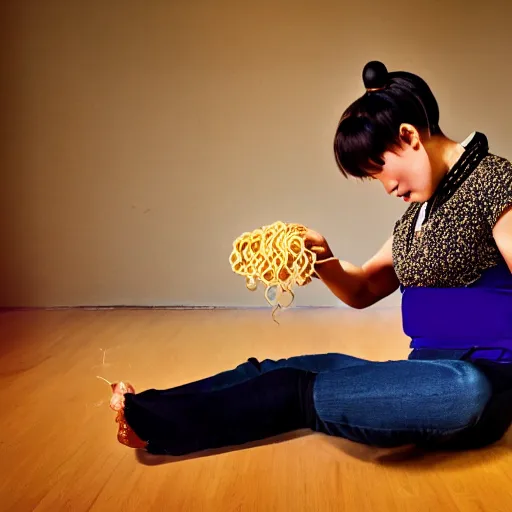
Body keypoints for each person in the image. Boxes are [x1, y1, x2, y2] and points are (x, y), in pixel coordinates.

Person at [109, 61, 512, 456]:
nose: (386, 187)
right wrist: (322, 259)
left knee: (461, 391)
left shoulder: (494, 182)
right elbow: (367, 286)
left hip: (482, 383)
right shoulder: (415, 218)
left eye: (380, 170)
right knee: (292, 367)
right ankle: (149, 407)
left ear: (408, 137)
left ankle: (164, 427)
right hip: (424, 373)